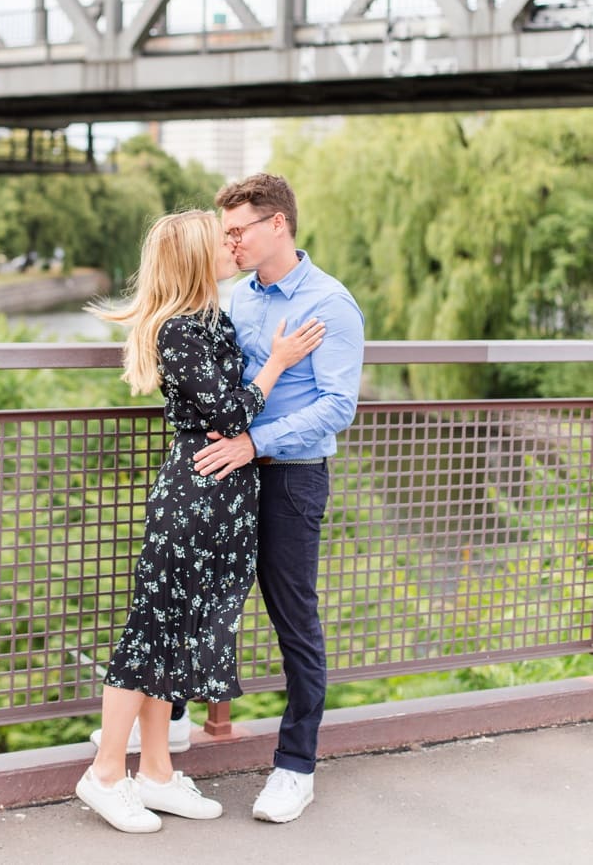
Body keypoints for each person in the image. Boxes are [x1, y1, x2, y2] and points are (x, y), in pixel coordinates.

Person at [77, 211, 325, 834]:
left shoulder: (214, 320)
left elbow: (229, 415)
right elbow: (227, 413)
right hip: (195, 494)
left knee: (182, 635)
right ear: (195, 257)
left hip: (222, 495)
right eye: (223, 238)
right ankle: (106, 774)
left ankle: (156, 773)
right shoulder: (182, 329)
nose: (232, 243)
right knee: (149, 633)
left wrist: (252, 391)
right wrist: (278, 363)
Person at [193, 173, 365, 824]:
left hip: (292, 478)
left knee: (294, 620)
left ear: (278, 226)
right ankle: (169, 727)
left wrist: (254, 442)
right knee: (207, 598)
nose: (230, 241)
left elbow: (337, 407)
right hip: (234, 473)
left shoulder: (330, 304)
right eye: (226, 232)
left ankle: (296, 767)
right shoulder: (239, 300)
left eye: (238, 230)